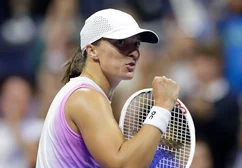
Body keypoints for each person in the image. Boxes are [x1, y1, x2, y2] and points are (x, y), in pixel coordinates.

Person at [36, 9, 179, 168]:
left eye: (136, 44)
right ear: (92, 51)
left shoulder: (83, 93)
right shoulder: (86, 97)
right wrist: (162, 107)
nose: (134, 53)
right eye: (121, 42)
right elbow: (124, 165)